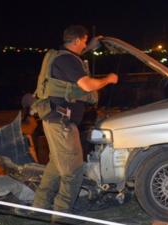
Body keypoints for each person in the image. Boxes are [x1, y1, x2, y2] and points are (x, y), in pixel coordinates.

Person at [32, 25, 118, 222]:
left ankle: (39, 208)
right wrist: (109, 79)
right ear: (78, 40)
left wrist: (92, 47)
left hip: (54, 119)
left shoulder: (60, 56)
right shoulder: (67, 60)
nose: (86, 44)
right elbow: (87, 85)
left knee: (55, 166)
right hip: (62, 123)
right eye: (85, 41)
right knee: (73, 172)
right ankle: (61, 216)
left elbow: (72, 63)